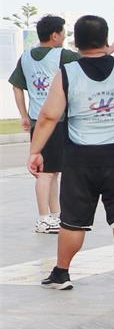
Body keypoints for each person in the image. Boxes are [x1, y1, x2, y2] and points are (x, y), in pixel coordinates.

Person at [30, 5, 114, 294]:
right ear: (105, 40)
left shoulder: (67, 73)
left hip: (80, 160)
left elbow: (48, 116)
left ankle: (61, 273)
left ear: (76, 43)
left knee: (72, 222)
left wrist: (35, 151)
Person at [11, 13, 66, 232]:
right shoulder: (62, 55)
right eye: (63, 32)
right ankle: (44, 218)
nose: (64, 36)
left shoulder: (25, 57)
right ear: (55, 35)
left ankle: (55, 215)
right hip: (54, 121)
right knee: (45, 172)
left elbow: (16, 86)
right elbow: (90, 58)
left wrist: (24, 114)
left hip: (36, 120)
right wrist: (111, 50)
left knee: (52, 171)